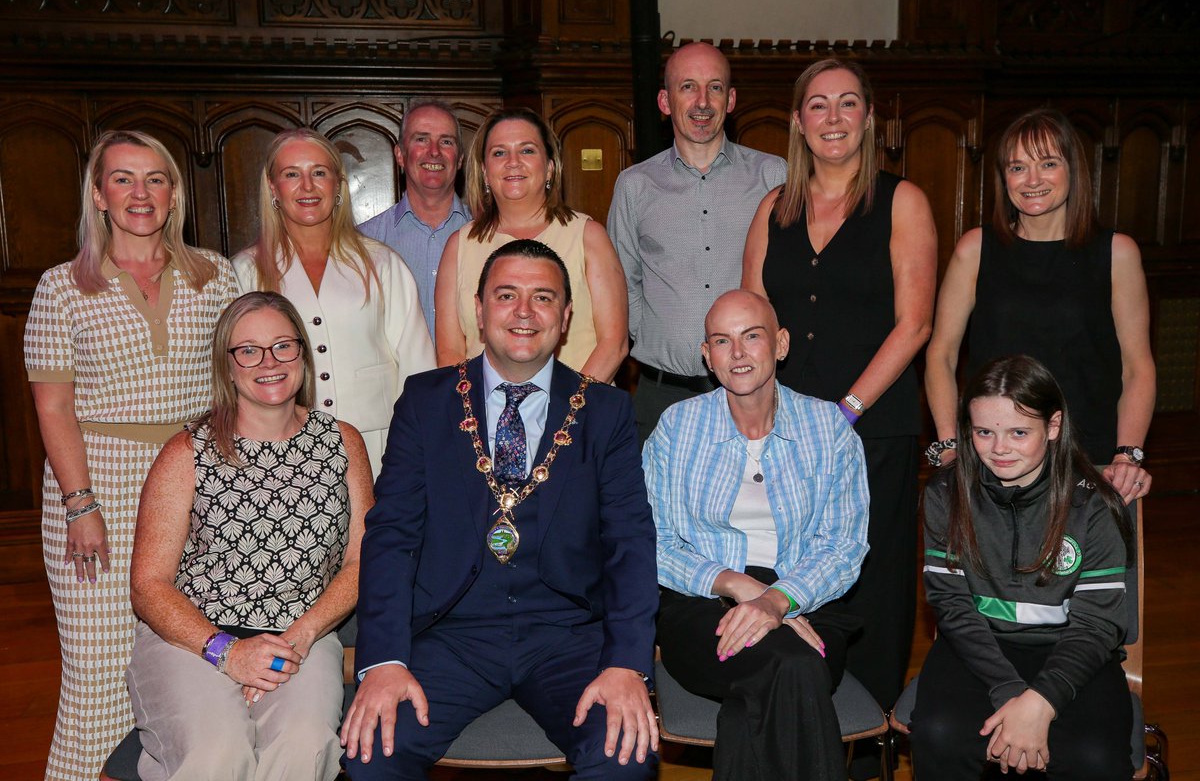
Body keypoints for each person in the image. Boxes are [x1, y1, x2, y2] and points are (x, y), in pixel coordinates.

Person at [340, 240, 659, 779]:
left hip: (568, 636)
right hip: (450, 634)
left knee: (624, 757)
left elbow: (630, 543)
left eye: (543, 297)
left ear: (565, 316)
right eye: (506, 295)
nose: (524, 312)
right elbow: (391, 537)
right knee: (372, 753)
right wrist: (384, 661)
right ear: (479, 310)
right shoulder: (425, 401)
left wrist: (628, 663)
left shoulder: (605, 411)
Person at [24, 129, 238, 780]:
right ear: (98, 195)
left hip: (194, 484)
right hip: (98, 490)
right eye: (123, 179)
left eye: (154, 179)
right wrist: (79, 505)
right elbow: (53, 407)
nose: (140, 193)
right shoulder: (62, 287)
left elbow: (237, 383)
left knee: (185, 658)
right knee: (99, 667)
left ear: (173, 194)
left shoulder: (215, 275)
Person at [741, 58, 938, 736]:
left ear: (869, 118)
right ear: (798, 122)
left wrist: (846, 411)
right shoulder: (774, 207)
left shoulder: (902, 201)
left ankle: (869, 725)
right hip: (786, 430)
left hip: (872, 427)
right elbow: (754, 317)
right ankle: (800, 716)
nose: (833, 117)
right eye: (818, 105)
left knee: (873, 576)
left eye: (847, 103)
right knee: (790, 565)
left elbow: (915, 324)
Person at [125, 291, 373, 780]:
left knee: (304, 744)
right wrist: (229, 653)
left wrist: (299, 637)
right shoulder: (186, 452)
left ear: (303, 352)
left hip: (302, 634)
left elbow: (362, 562)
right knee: (217, 753)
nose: (269, 362)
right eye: (249, 351)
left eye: (283, 345)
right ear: (227, 364)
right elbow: (148, 585)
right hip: (194, 638)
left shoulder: (343, 442)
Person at [647, 290, 869, 780]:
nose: (738, 353)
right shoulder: (677, 428)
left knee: (762, 696)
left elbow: (844, 546)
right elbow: (654, 541)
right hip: (701, 604)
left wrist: (779, 600)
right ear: (707, 356)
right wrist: (739, 585)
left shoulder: (829, 429)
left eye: (752, 336)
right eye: (722, 341)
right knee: (796, 666)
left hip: (808, 602)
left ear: (781, 344)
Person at [910, 355, 1134, 780]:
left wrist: (1040, 703)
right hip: (978, 645)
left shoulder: (1094, 505)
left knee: (1093, 757)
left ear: (1053, 426)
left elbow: (1097, 625)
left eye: (1018, 432)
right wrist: (1010, 690)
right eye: (983, 432)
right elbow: (953, 607)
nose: (999, 448)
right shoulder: (945, 493)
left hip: (1072, 648)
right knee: (939, 735)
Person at [924, 107, 1155, 503]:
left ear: (1072, 170)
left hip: (1088, 457)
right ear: (1004, 178)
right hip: (993, 457)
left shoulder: (1117, 252)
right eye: (1018, 168)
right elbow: (941, 355)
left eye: (1048, 163)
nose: (1032, 180)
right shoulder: (976, 249)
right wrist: (949, 446)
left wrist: (1127, 454)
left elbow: (1137, 367)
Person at [608, 41, 787, 441]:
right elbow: (621, 283)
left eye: (715, 87)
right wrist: (657, 336)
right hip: (662, 395)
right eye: (688, 86)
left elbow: (791, 276)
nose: (702, 101)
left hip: (754, 394)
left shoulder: (773, 177)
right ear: (665, 101)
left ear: (731, 99)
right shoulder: (635, 186)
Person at [234, 127, 435, 477]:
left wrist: (417, 455)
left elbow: (419, 371)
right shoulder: (245, 271)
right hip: (280, 449)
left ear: (338, 185)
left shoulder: (382, 264)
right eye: (291, 174)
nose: (307, 186)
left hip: (380, 449)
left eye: (319, 173)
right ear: (272, 188)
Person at [434, 108, 628, 382]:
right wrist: (476, 406)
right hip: (484, 406)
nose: (513, 162)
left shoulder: (588, 236)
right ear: (484, 171)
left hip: (580, 403)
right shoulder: (459, 246)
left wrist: (570, 405)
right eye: (499, 153)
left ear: (549, 167)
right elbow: (450, 352)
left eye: (526, 150)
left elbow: (613, 344)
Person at [358, 99, 470, 343]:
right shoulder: (363, 243)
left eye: (446, 141)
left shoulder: (488, 235)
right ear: (400, 155)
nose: (434, 151)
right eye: (421, 139)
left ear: (460, 159)